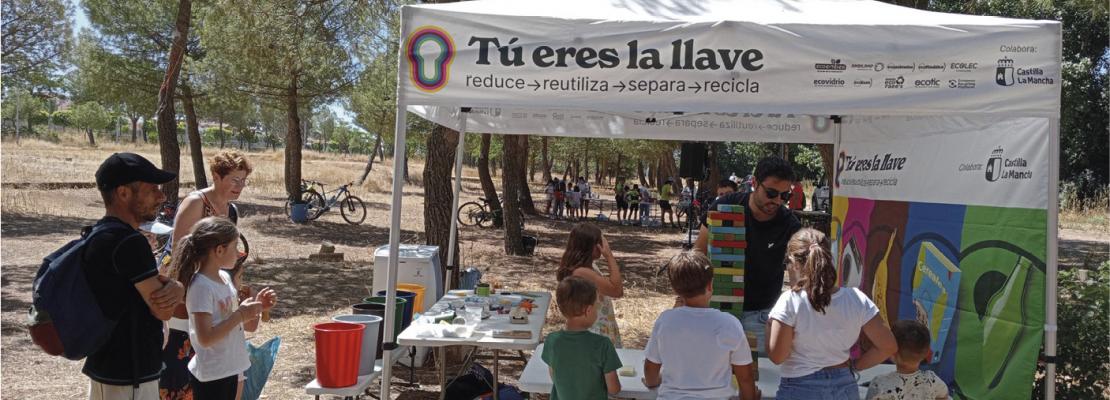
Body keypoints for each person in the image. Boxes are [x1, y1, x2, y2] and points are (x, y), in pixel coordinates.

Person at [86, 152, 184, 400]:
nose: (162, 197)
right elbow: (163, 311)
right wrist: (176, 288)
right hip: (128, 375)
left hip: (114, 370)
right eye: (152, 189)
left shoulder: (102, 233)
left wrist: (173, 287)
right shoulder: (129, 242)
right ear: (123, 193)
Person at [160, 150, 253, 400]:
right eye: (234, 179)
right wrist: (195, 291)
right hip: (185, 294)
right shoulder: (195, 202)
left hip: (212, 292)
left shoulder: (231, 210)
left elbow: (224, 256)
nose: (239, 186)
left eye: (243, 180)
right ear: (216, 176)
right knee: (180, 369)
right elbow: (179, 255)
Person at [767, 228, 897, 400]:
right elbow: (888, 346)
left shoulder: (790, 301)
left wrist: (770, 326)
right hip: (844, 385)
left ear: (794, 262)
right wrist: (855, 366)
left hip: (800, 386)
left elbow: (777, 356)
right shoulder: (856, 298)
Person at [695, 156, 802, 356]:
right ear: (754, 183)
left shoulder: (790, 224)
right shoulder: (725, 206)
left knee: (758, 372)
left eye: (785, 195)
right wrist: (688, 298)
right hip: (718, 309)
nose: (777, 201)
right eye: (771, 193)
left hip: (762, 316)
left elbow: (798, 275)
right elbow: (698, 254)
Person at [171, 217, 277, 400]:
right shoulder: (201, 286)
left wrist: (258, 307)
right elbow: (205, 338)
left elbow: (239, 324)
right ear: (219, 250)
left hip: (230, 369)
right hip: (212, 375)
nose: (239, 253)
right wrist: (240, 315)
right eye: (235, 247)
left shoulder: (225, 278)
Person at [643, 251, 759, 400]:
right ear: (710, 285)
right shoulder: (729, 323)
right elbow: (746, 378)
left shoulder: (665, 321)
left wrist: (656, 380)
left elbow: (650, 373)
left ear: (675, 290)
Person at [542, 276, 622, 399]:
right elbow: (614, 389)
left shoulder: (552, 340)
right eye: (596, 306)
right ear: (588, 310)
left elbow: (555, 377)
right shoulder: (602, 344)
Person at [555, 223, 623, 347]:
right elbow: (617, 290)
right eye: (599, 242)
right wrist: (609, 256)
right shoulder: (582, 272)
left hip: (597, 326)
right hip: (595, 331)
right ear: (589, 246)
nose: (602, 246)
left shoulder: (587, 267)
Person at [865, 320, 950, 400]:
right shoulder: (931, 380)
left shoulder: (879, 384)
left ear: (892, 353)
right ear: (927, 353)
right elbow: (944, 395)